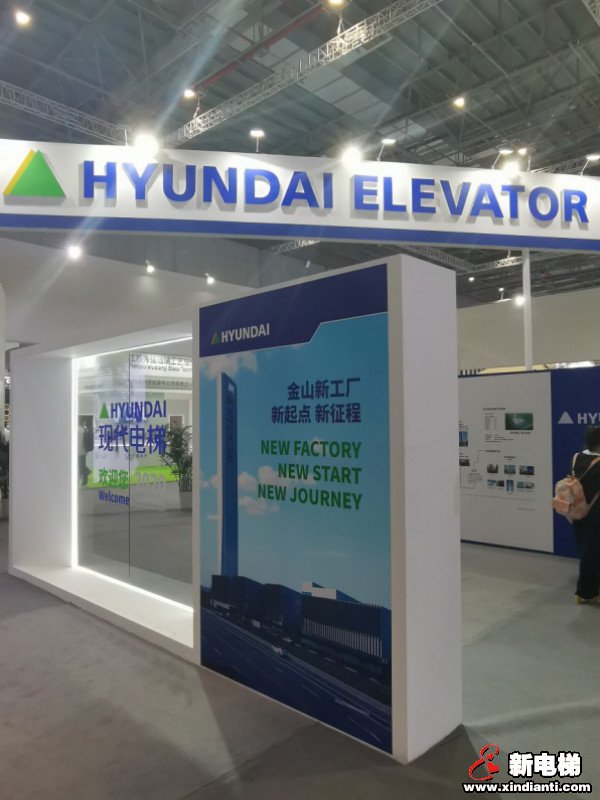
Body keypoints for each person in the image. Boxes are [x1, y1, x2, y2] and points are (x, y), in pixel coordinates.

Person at [572, 426, 600, 605]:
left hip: (579, 511)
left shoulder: (577, 457)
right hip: (596, 514)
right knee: (593, 552)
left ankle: (588, 589)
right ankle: (587, 593)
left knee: (587, 550)